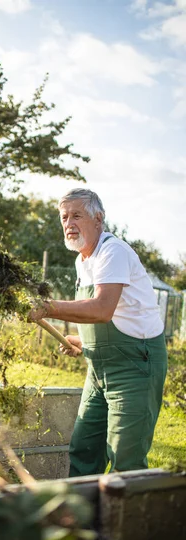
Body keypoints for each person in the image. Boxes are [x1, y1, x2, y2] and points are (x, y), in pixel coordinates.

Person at [29, 188, 167, 477]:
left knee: (125, 460)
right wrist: (82, 341)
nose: (69, 224)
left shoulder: (112, 251)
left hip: (135, 367)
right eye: (64, 217)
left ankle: (123, 521)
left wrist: (47, 307)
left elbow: (102, 308)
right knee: (84, 450)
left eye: (76, 215)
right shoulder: (82, 260)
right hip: (99, 370)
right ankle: (82, 520)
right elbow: (115, 316)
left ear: (98, 219)